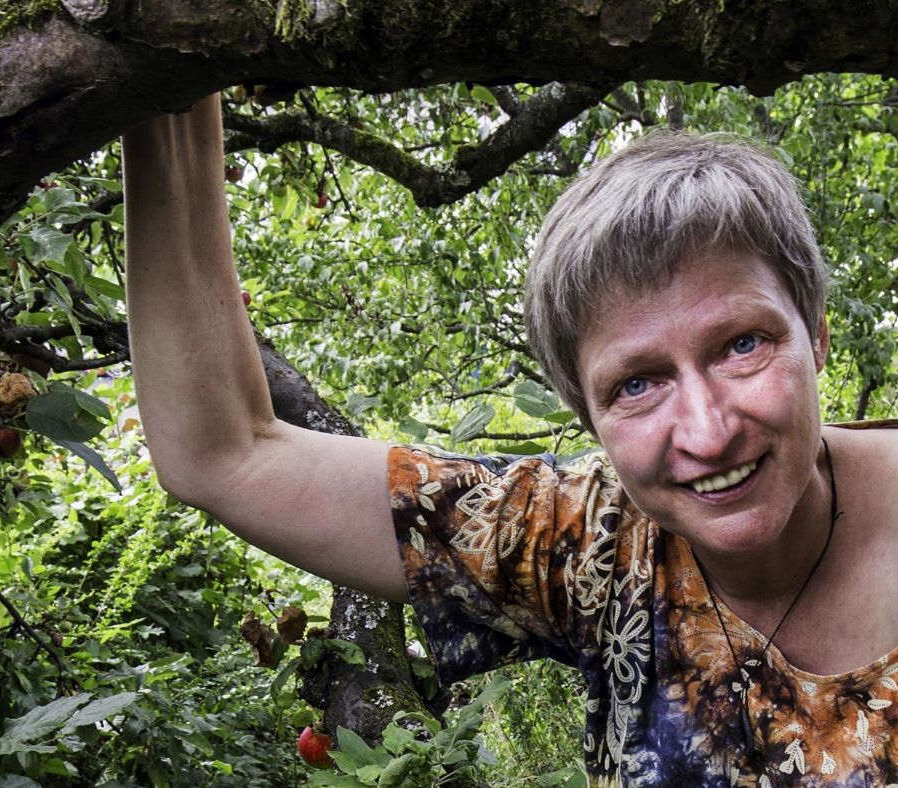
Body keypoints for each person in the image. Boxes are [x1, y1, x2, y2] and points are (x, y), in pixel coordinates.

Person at [122, 94, 898, 786]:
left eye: (741, 345)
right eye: (636, 384)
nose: (708, 430)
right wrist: (164, 81)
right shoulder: (590, 544)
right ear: (589, 420)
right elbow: (224, 454)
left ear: (819, 337)